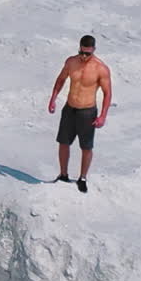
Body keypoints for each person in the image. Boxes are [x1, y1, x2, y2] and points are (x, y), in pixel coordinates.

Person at [47, 34, 112, 193]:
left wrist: (103, 115)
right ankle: (63, 174)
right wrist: (53, 99)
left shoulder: (100, 68)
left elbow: (107, 93)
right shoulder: (71, 62)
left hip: (87, 111)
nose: (83, 56)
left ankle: (82, 178)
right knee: (63, 142)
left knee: (86, 147)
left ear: (94, 50)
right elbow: (61, 79)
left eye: (87, 54)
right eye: (81, 52)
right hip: (70, 108)